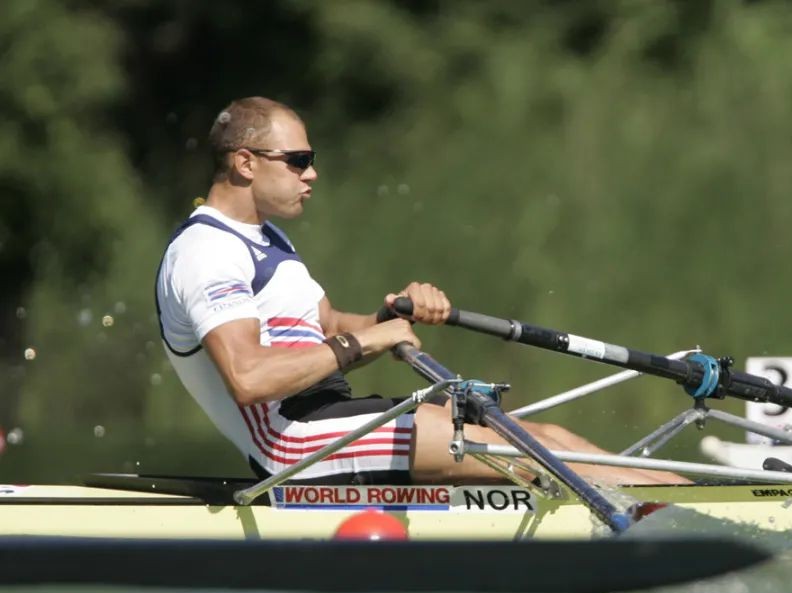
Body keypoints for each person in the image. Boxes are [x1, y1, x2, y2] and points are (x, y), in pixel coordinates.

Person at [156, 96, 686, 486]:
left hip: (329, 418)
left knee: (551, 438)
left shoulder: (267, 237)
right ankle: (694, 523)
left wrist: (390, 318)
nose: (311, 174)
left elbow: (330, 329)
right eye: (298, 160)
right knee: (532, 455)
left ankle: (698, 502)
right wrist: (368, 341)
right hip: (292, 443)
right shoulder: (207, 251)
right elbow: (249, 378)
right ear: (246, 162)